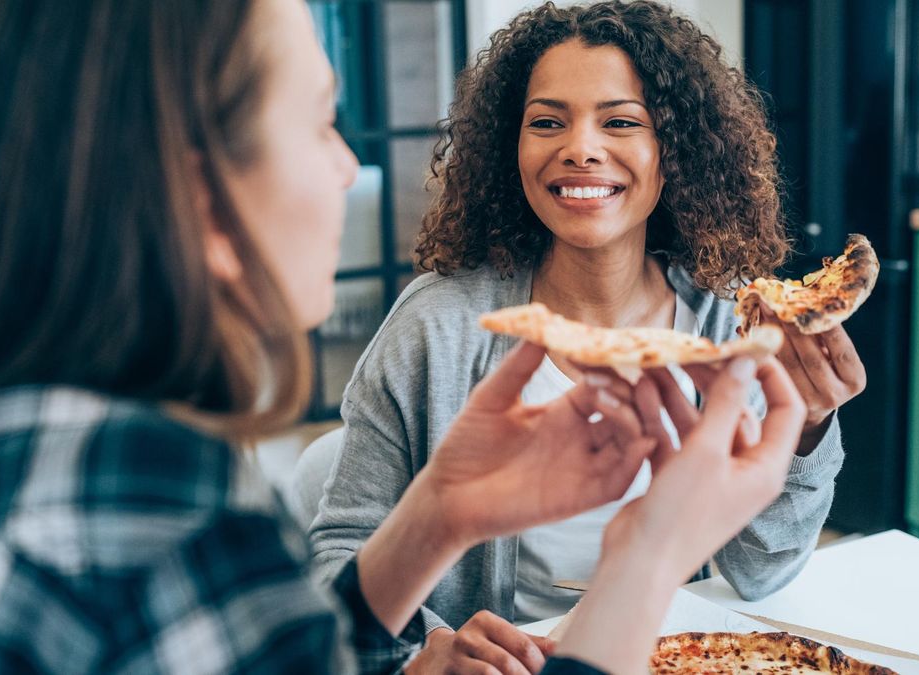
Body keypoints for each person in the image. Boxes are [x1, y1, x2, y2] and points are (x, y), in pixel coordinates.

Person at [0, 0, 807, 673]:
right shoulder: (158, 526)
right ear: (196, 194)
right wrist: (647, 554)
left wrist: (437, 515)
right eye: (319, 123)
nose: (350, 168)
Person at [309, 2, 865, 672]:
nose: (579, 147)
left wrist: (805, 427)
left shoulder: (728, 324)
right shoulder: (437, 325)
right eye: (546, 122)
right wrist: (424, 644)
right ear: (509, 148)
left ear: (674, 151)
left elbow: (760, 571)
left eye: (621, 121)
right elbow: (339, 555)